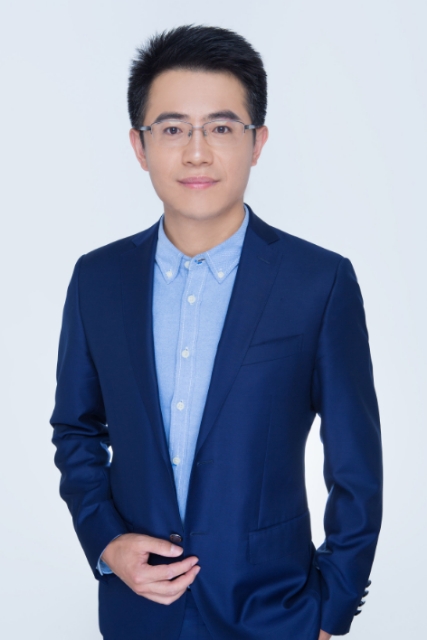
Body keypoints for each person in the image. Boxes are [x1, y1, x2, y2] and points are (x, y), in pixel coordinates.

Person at [50, 25, 383, 640]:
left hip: (275, 613)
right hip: (139, 613)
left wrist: (331, 609)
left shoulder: (319, 282)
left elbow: (357, 467)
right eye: (173, 129)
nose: (197, 153)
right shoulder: (97, 279)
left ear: (257, 142)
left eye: (222, 128)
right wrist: (107, 541)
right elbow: (76, 429)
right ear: (139, 145)